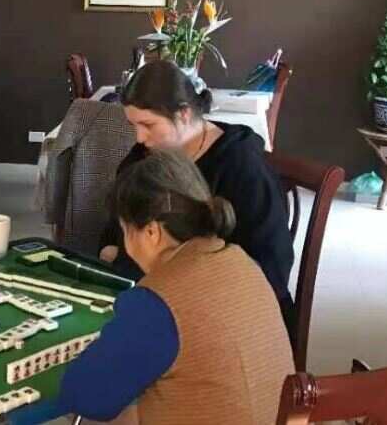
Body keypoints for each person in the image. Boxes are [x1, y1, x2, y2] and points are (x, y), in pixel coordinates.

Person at [59, 150, 294, 424]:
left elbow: (86, 396)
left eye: (125, 230)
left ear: (151, 232)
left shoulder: (157, 301)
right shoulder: (242, 261)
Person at [98, 60, 295, 330]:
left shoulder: (242, 166)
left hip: (226, 313)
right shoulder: (143, 157)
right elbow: (116, 227)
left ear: (184, 114)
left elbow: (272, 268)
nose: (140, 137)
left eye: (148, 125)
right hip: (154, 296)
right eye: (134, 125)